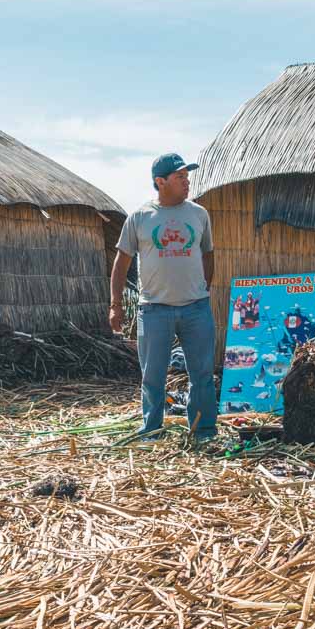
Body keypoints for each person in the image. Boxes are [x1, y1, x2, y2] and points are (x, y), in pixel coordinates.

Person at [109, 153, 218, 440]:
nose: (187, 181)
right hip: (153, 310)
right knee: (153, 377)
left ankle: (203, 430)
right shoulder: (141, 217)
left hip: (196, 309)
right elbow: (121, 263)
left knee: (202, 375)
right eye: (180, 176)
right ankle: (151, 433)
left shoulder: (198, 214)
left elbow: (208, 254)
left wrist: (203, 289)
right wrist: (116, 305)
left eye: (187, 176)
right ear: (161, 182)